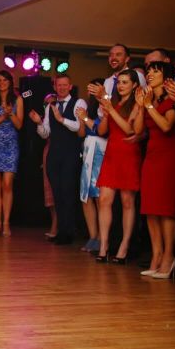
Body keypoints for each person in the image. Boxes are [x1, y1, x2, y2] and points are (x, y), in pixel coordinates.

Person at [135, 61, 175, 279]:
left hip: (170, 155)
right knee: (150, 207)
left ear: (166, 77)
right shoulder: (150, 100)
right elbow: (139, 131)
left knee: (165, 208)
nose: (149, 74)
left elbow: (166, 126)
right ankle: (156, 256)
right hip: (152, 155)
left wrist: (148, 106)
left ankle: (168, 256)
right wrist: (140, 106)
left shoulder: (173, 98)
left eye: (155, 71)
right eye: (148, 71)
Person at [29, 74, 86, 245]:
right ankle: (62, 231)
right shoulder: (50, 107)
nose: (61, 88)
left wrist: (61, 119)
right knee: (57, 193)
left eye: (64, 85)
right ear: (55, 87)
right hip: (54, 154)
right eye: (58, 85)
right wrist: (39, 123)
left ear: (70, 86)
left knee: (68, 191)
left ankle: (69, 232)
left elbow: (79, 126)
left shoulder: (79, 103)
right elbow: (46, 132)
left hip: (70, 153)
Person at [94, 69, 142, 264]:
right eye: (119, 82)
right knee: (104, 199)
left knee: (127, 202)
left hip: (129, 153)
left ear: (135, 85)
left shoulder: (137, 104)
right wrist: (106, 114)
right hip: (112, 153)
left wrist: (111, 110)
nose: (121, 85)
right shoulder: (112, 102)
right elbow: (102, 130)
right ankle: (104, 245)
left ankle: (124, 245)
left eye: (125, 82)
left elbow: (130, 129)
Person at [0, 70, 23, 237]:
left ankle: (6, 223)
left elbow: (19, 125)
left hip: (10, 144)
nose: (1, 83)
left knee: (7, 184)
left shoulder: (17, 99)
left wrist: (11, 113)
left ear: (10, 82)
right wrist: (3, 116)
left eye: (5, 80)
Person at [76, 78, 106, 253]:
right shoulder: (87, 108)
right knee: (86, 196)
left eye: (94, 88)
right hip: (87, 151)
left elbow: (101, 130)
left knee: (99, 196)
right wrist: (81, 119)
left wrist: (86, 118)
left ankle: (103, 237)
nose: (91, 91)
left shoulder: (105, 107)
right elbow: (81, 133)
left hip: (101, 151)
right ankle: (93, 236)